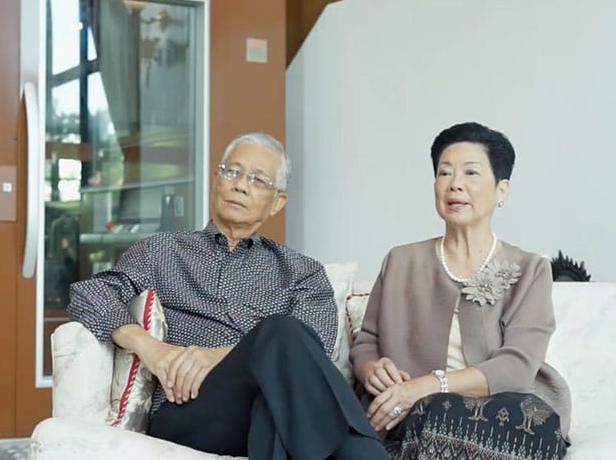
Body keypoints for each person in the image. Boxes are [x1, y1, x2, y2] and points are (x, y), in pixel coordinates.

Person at [68, 132, 390, 459]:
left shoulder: (301, 271)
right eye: (232, 172)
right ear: (215, 181)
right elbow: (89, 293)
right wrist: (154, 351)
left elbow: (312, 349)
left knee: (274, 396)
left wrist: (215, 356)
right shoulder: (162, 251)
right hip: (188, 408)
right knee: (280, 336)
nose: (240, 185)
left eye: (258, 179)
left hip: (263, 405)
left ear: (277, 202)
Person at [351, 122, 571, 459]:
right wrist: (373, 370)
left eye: (471, 173)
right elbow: (367, 340)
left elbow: (517, 365)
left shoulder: (529, 268)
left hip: (497, 412)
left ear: (502, 190)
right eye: (444, 173)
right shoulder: (401, 260)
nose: (455, 184)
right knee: (427, 415)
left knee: (527, 424)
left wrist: (424, 386)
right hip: (411, 414)